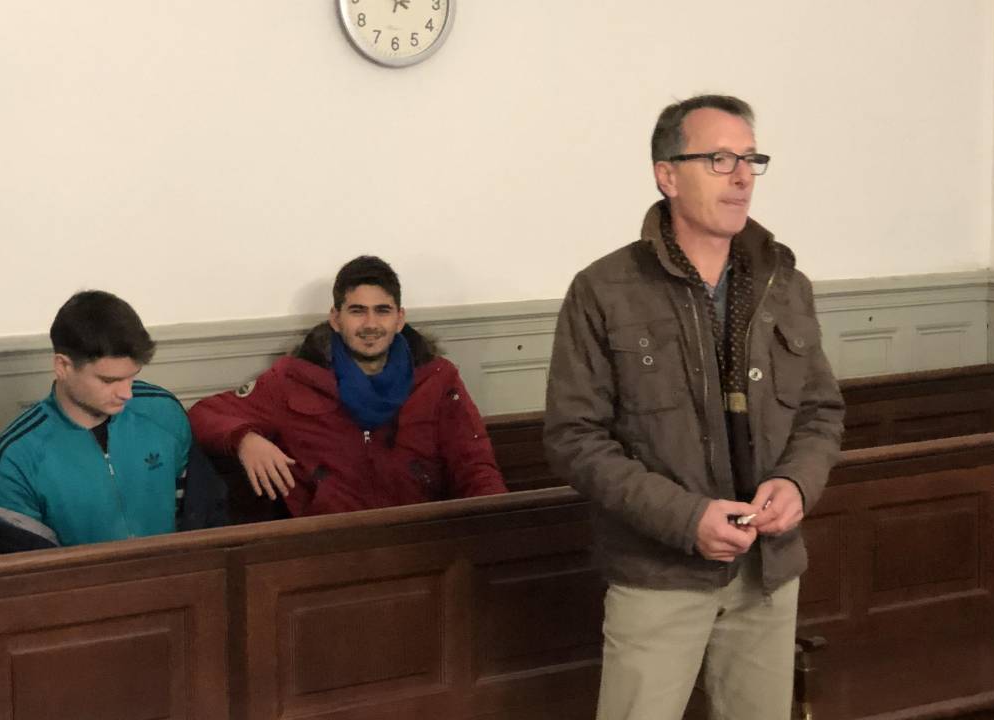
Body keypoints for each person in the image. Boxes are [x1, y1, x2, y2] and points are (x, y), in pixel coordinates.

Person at [543, 94, 846, 719]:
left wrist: (797, 482)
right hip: (658, 575)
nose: (741, 177)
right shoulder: (604, 289)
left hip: (768, 572)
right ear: (667, 175)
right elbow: (575, 438)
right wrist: (687, 519)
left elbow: (820, 411)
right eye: (719, 159)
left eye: (750, 159)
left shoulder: (785, 284)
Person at [188, 255, 506, 516]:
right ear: (336, 318)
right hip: (328, 547)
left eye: (382, 311)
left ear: (399, 319)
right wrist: (245, 439)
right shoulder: (293, 379)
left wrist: (496, 527)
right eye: (357, 311)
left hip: (417, 540)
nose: (370, 324)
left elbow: (474, 465)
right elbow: (204, 415)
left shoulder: (437, 379)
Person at [0, 290, 196, 548]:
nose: (127, 393)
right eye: (109, 380)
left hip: (176, 571)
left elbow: (199, 518)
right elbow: (31, 565)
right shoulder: (14, 458)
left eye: (132, 376)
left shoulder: (164, 412)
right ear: (63, 366)